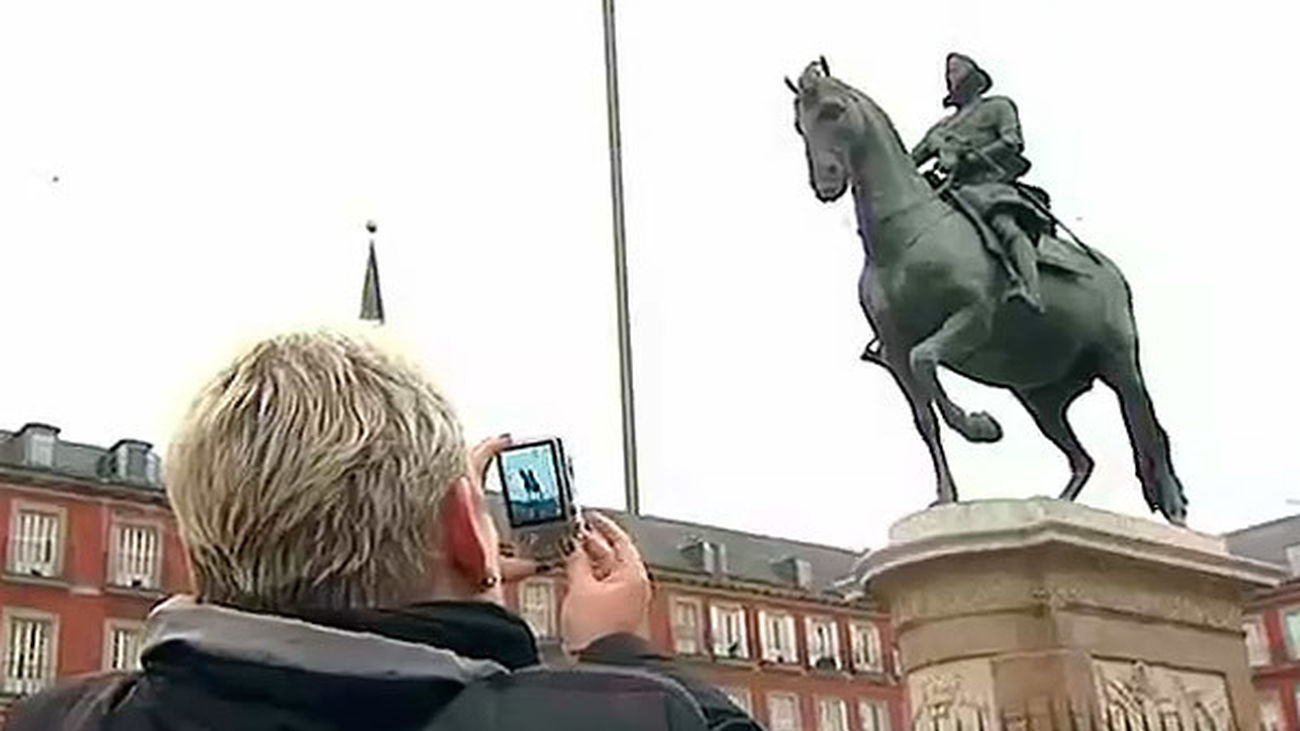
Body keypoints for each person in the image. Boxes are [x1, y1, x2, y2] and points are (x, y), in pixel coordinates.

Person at [6, 329, 759, 731]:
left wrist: (453, 537)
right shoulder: (627, 719)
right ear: (470, 529)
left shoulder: (57, 720)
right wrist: (616, 646)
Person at [911, 52, 1050, 313]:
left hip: (987, 184)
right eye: (949, 74)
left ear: (974, 79)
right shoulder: (940, 129)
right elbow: (909, 162)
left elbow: (1012, 141)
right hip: (948, 194)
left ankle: (1030, 288)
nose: (952, 78)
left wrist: (969, 158)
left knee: (1005, 227)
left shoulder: (997, 106)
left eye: (957, 72)